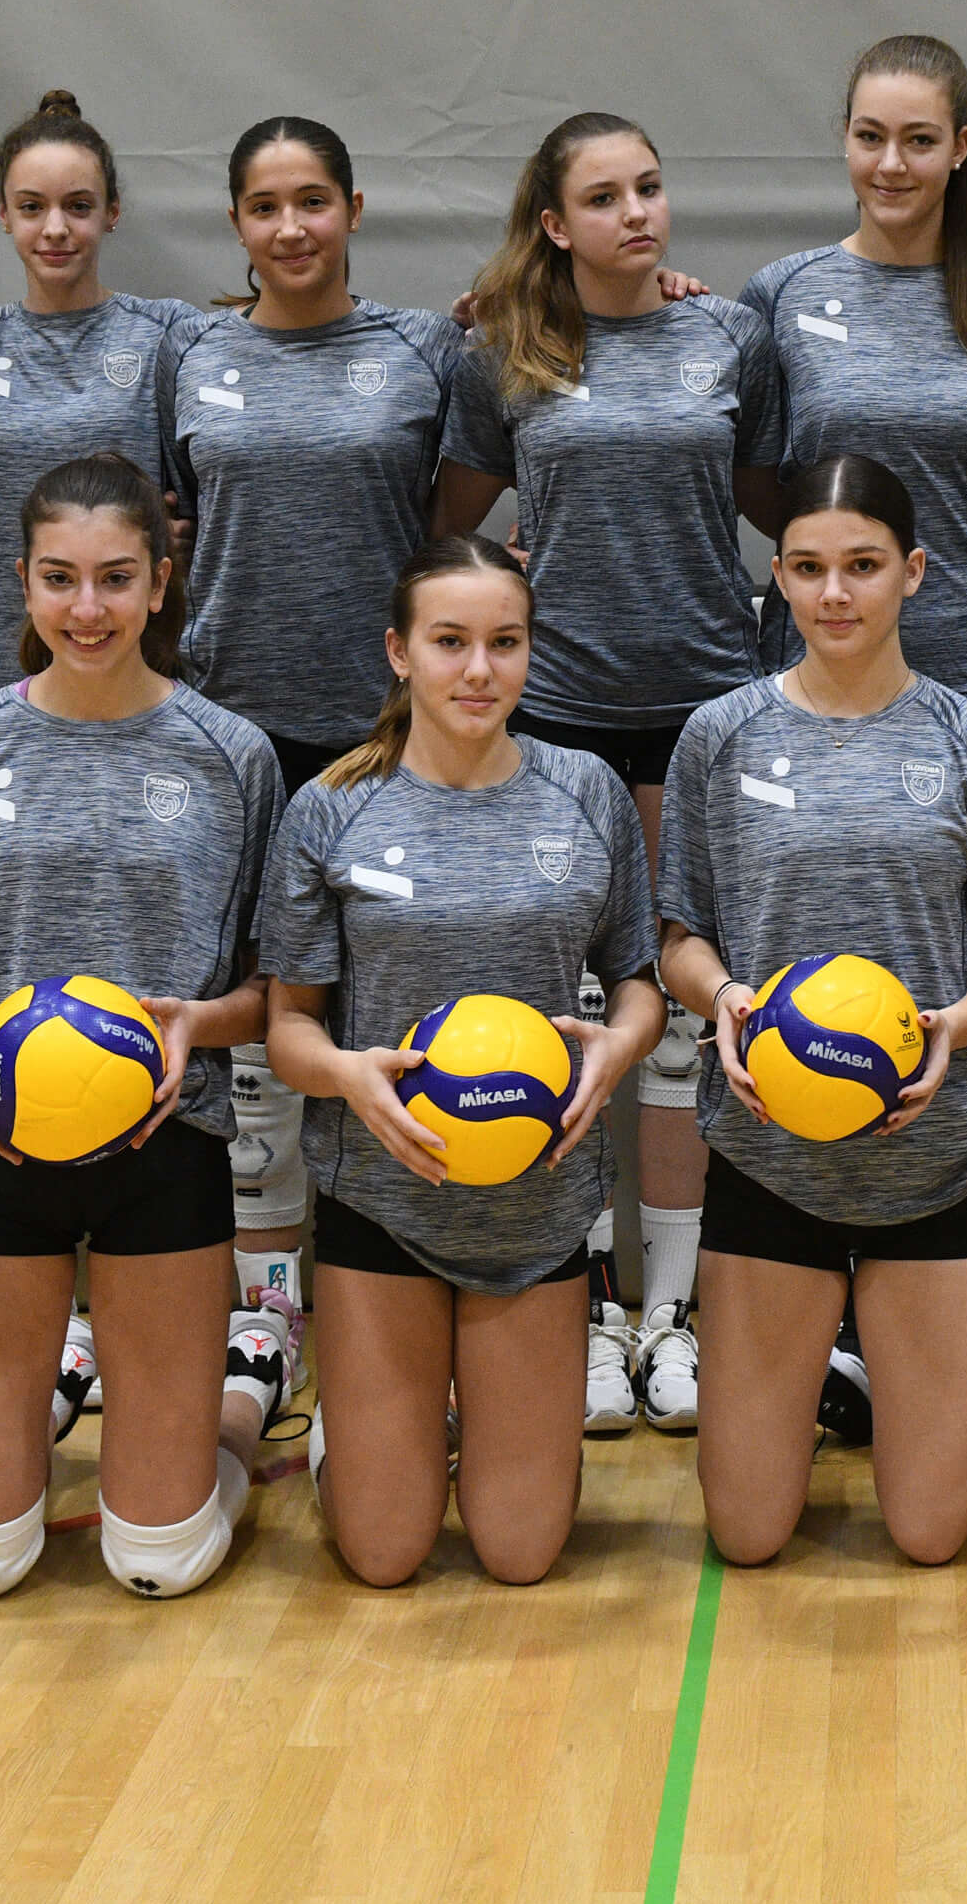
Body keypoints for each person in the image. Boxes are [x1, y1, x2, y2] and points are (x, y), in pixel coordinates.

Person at [659, 457, 967, 1567]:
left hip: (930, 1159)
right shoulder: (719, 734)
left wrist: (949, 1028)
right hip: (768, 1159)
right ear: (779, 577)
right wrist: (726, 998)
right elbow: (680, 939)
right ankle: (829, 1375)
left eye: (862, 566)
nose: (834, 593)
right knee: (747, 1533)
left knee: (933, 1534)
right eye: (807, 568)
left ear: (914, 572)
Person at [438, 111, 778, 1439]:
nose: (637, 212)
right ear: (554, 222)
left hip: (704, 706)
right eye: (603, 196)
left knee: (684, 1026)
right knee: (567, 1021)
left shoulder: (728, 335)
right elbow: (447, 523)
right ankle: (578, 1306)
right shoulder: (506, 349)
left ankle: (672, 1314)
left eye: (650, 186)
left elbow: (778, 504)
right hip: (561, 717)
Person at [0, 457, 284, 1603]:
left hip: (165, 1146)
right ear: (21, 582)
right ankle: (61, 1369)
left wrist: (198, 1023)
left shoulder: (232, 754)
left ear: (160, 583)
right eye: (59, 578)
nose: (88, 608)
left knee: (160, 1561)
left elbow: (277, 992)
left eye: (116, 578)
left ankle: (246, 1384)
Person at [258, 535, 664, 1586]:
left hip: (536, 1205)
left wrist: (621, 1045)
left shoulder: (585, 792)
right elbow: (288, 1027)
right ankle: (358, 1433)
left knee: (520, 1552)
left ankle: (488, 1429)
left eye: (504, 642)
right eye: (449, 642)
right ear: (400, 652)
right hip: (383, 1197)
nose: (479, 670)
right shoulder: (333, 806)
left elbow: (640, 983)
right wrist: (347, 1075)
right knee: (385, 1552)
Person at [163, 114, 471, 1369]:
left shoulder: (423, 350)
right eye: (263, 207)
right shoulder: (189, 354)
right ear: (237, 223)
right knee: (258, 1027)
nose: (290, 228)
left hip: (388, 740)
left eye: (312, 202)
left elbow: (452, 517)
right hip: (235, 733)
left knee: (391, 1023)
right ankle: (268, 1307)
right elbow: (163, 522)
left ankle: (412, 1291)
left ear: (352, 208)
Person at [739, 37, 967, 729]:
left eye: (919, 140)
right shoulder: (780, 292)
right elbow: (756, 481)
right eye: (870, 137)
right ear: (846, 139)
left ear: (960, 147)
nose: (891, 164)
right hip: (817, 660)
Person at [0, 90, 193, 700]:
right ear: (4, 213)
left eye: (78, 206)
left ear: (112, 211)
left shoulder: (168, 333)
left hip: (133, 655)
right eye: (32, 207)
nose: (55, 229)